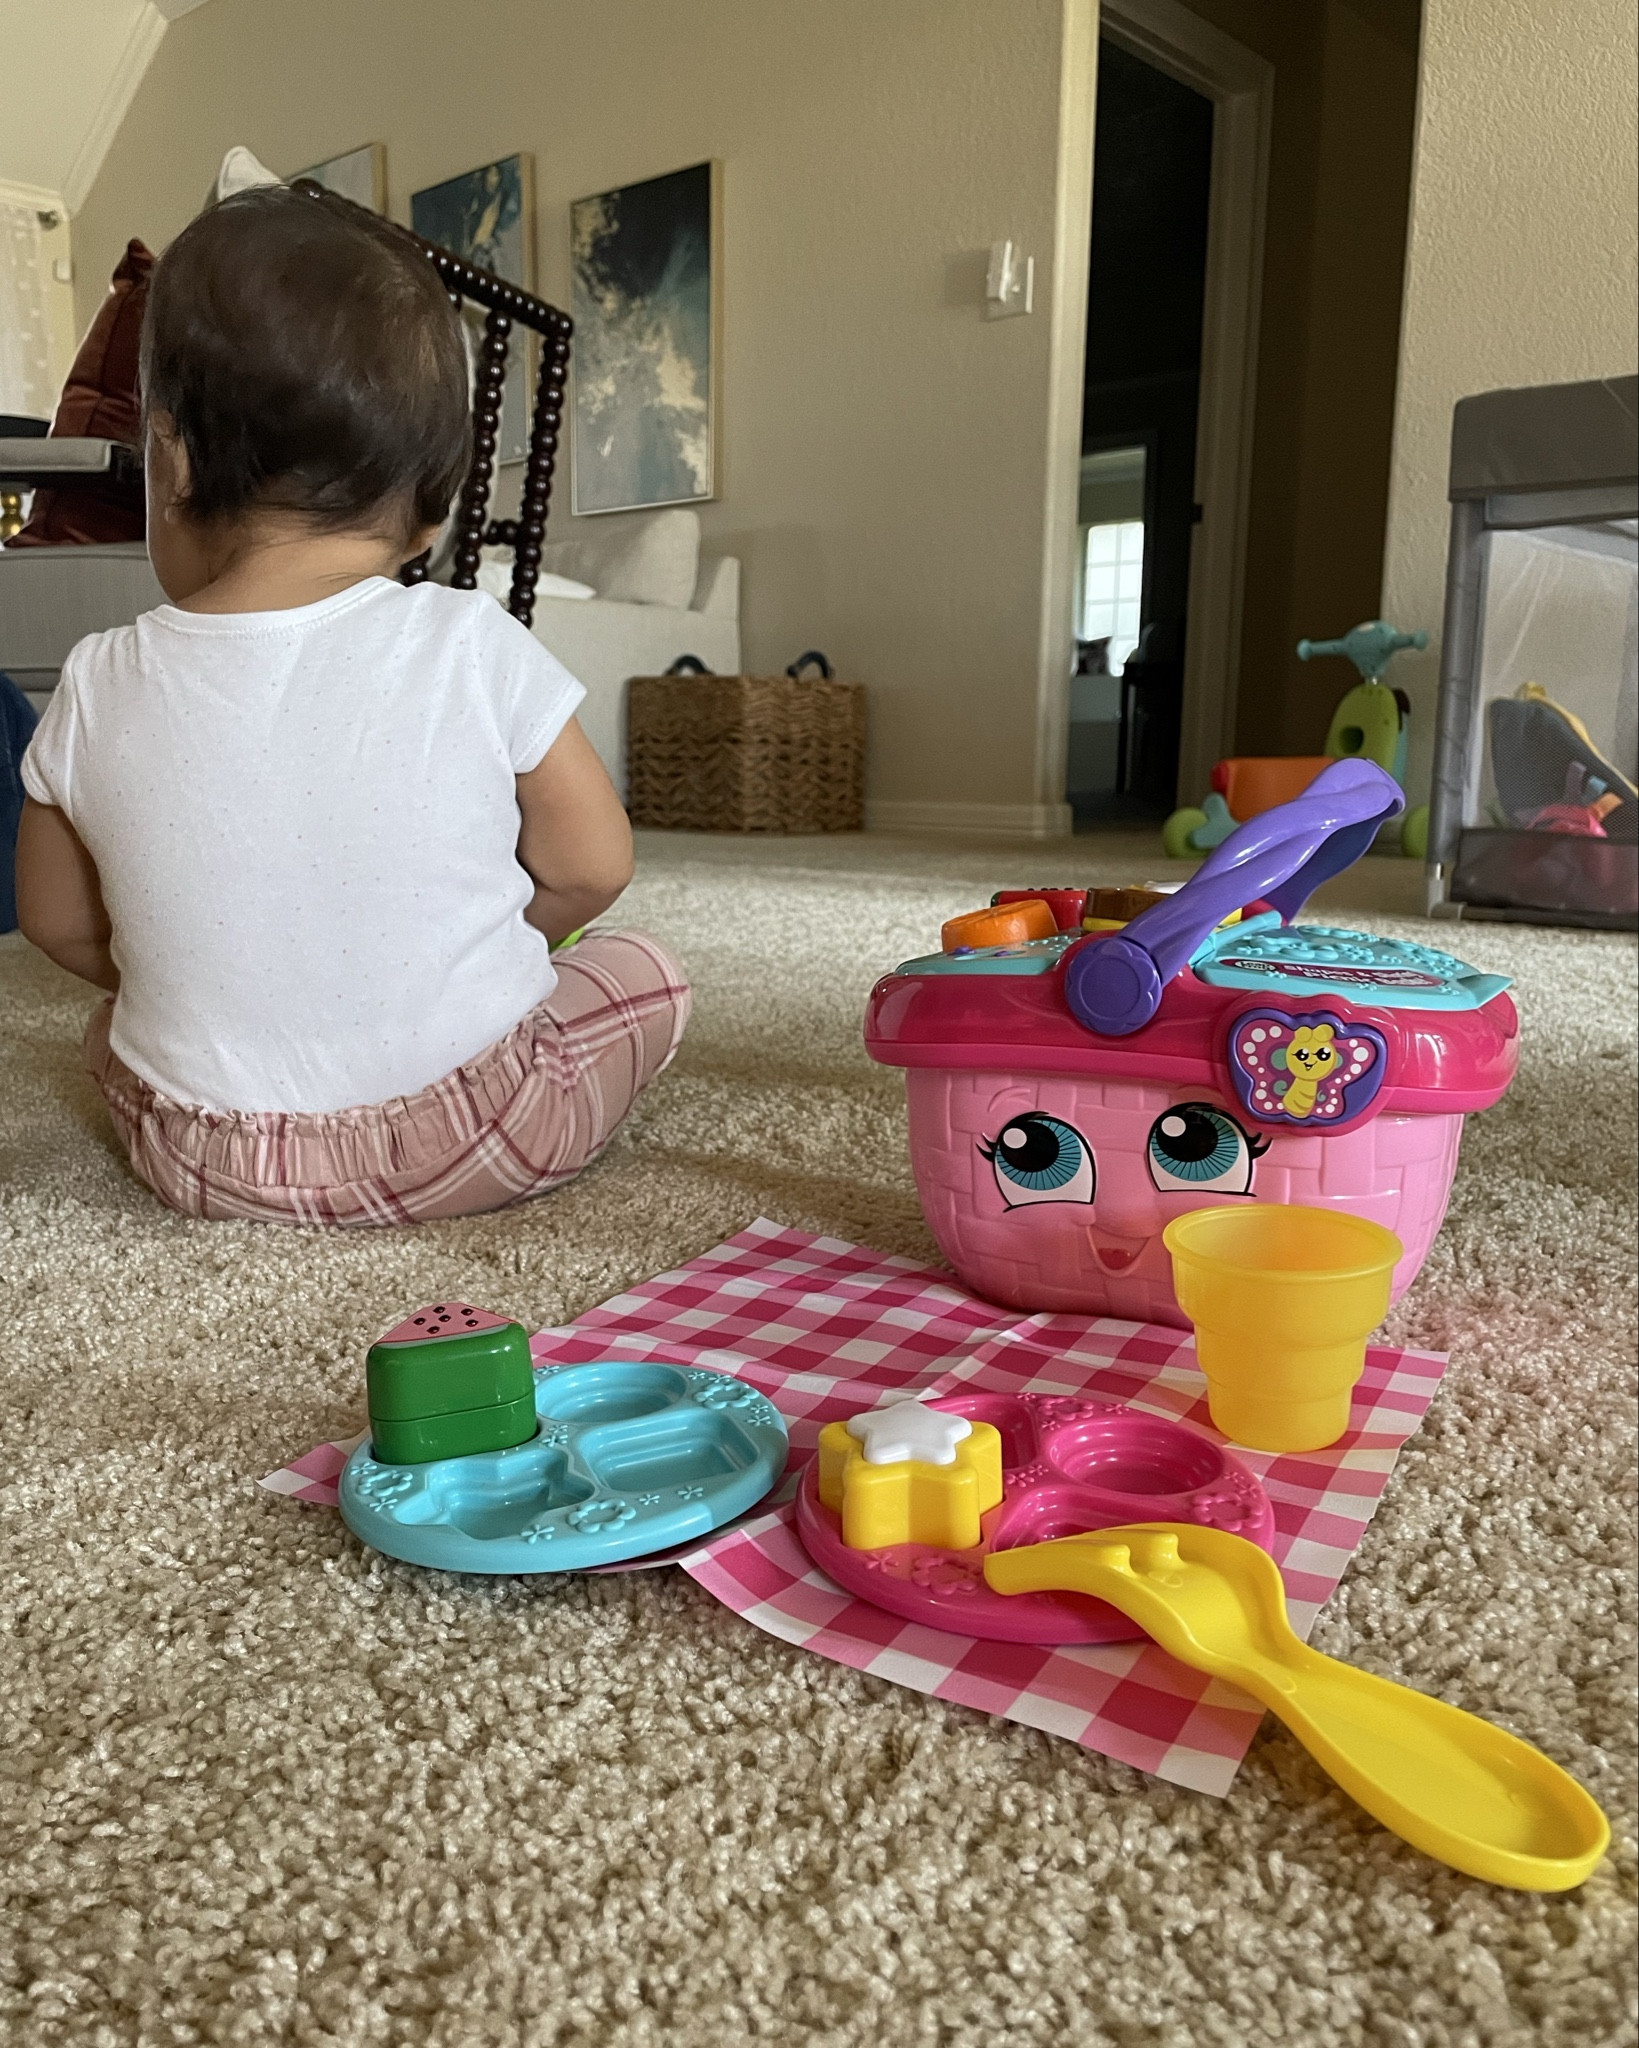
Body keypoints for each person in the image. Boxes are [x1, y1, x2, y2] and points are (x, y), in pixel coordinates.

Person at [15, 186, 689, 1226]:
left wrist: (197, 967)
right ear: (428, 513)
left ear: (171, 458)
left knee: (113, 1032)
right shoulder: (473, 639)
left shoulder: (98, 675)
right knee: (648, 971)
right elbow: (594, 866)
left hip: (200, 1153)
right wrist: (490, 945)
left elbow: (56, 921)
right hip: (477, 1130)